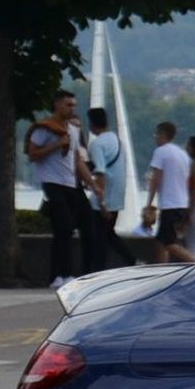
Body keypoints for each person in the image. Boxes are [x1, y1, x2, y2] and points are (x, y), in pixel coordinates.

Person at [25, 89, 93, 290]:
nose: (72, 108)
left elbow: (77, 160)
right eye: (68, 105)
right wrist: (56, 145)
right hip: (52, 183)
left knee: (73, 229)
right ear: (57, 105)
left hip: (70, 184)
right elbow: (33, 154)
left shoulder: (72, 131)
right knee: (62, 227)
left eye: (74, 105)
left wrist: (92, 184)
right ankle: (61, 274)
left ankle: (64, 273)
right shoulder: (44, 129)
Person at [141, 121, 195, 265]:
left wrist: (149, 204)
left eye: (156, 134)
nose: (155, 138)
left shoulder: (160, 152)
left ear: (162, 135)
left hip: (170, 205)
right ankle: (162, 269)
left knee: (169, 243)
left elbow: (156, 179)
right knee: (160, 241)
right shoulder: (183, 155)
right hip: (182, 204)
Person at [84, 106, 129, 273]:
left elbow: (101, 173)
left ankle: (98, 272)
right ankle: (130, 259)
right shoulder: (117, 140)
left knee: (99, 239)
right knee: (108, 234)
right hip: (117, 196)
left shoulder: (97, 144)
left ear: (91, 124)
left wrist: (102, 203)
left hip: (103, 199)